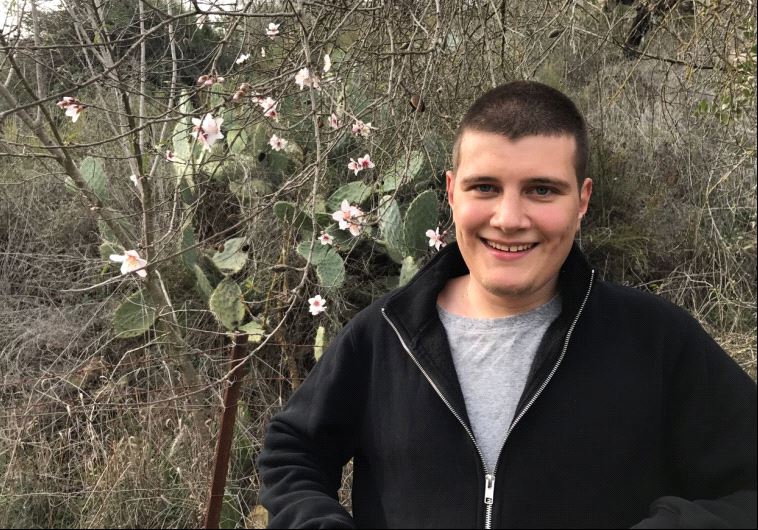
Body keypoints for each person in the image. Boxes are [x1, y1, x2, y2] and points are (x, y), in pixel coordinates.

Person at [257, 81, 757, 528]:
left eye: (542, 190)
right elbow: (292, 452)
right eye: (485, 187)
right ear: (451, 192)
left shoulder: (656, 340)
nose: (509, 218)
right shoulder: (385, 335)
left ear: (582, 201)